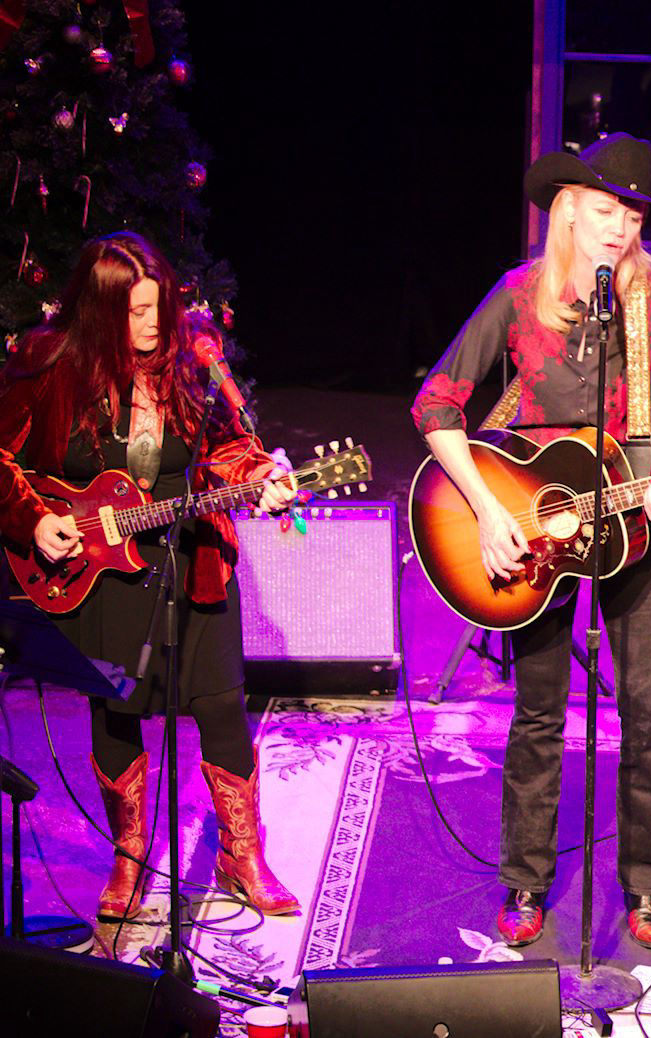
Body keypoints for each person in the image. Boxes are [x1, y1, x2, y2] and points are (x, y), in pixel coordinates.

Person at [410, 133, 651, 950]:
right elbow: (436, 404)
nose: (621, 228)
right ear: (568, 209)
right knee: (538, 714)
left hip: (632, 525)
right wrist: (490, 512)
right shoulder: (516, 295)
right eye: (606, 210)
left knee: (647, 714)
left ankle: (646, 889)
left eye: (634, 215)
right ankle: (526, 881)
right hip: (532, 528)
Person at [0, 232, 300, 922]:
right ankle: (129, 856)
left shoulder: (192, 359)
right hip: (94, 569)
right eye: (134, 313)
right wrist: (33, 520)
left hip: (187, 554)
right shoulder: (48, 364)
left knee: (222, 706)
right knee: (116, 711)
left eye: (157, 307)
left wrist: (260, 479)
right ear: (101, 312)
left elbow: (233, 446)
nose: (151, 325)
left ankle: (240, 855)